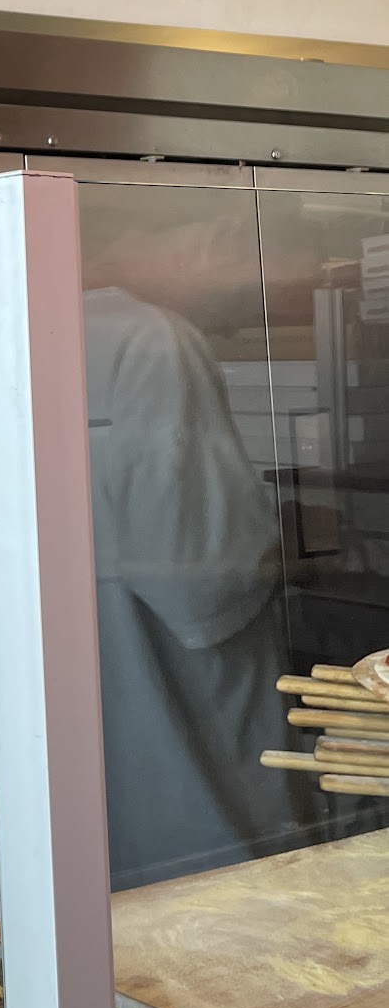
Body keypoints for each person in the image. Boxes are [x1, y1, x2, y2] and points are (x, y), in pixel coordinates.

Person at [84, 283, 320, 890]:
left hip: (100, 809)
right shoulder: (151, 341)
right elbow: (202, 582)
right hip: (201, 812)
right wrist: (290, 547)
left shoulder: (31, 332)